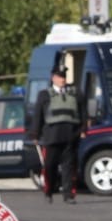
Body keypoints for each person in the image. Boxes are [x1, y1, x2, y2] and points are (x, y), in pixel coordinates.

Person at [28, 66, 85, 203]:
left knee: (69, 168)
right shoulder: (45, 95)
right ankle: (49, 191)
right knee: (49, 167)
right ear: (53, 78)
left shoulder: (75, 93)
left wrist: (82, 130)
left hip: (70, 136)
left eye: (64, 77)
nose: (62, 80)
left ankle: (68, 195)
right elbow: (38, 115)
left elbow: (83, 114)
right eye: (60, 77)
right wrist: (35, 133)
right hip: (52, 136)